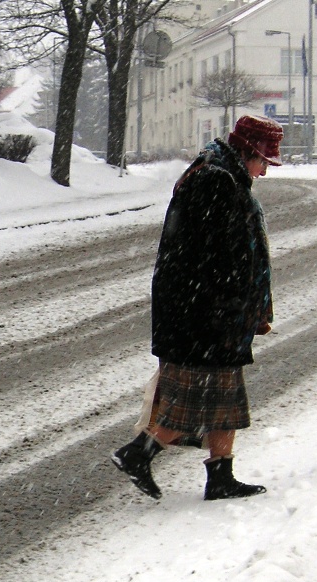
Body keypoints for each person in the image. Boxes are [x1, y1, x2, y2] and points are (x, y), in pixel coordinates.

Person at [111, 114, 283, 501]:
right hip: (202, 316)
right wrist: (234, 307)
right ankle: (138, 453)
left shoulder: (223, 177)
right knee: (193, 403)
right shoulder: (214, 182)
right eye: (264, 162)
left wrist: (250, 309)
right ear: (248, 152)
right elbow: (220, 260)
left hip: (209, 312)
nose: (264, 172)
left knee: (226, 403)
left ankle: (220, 476)